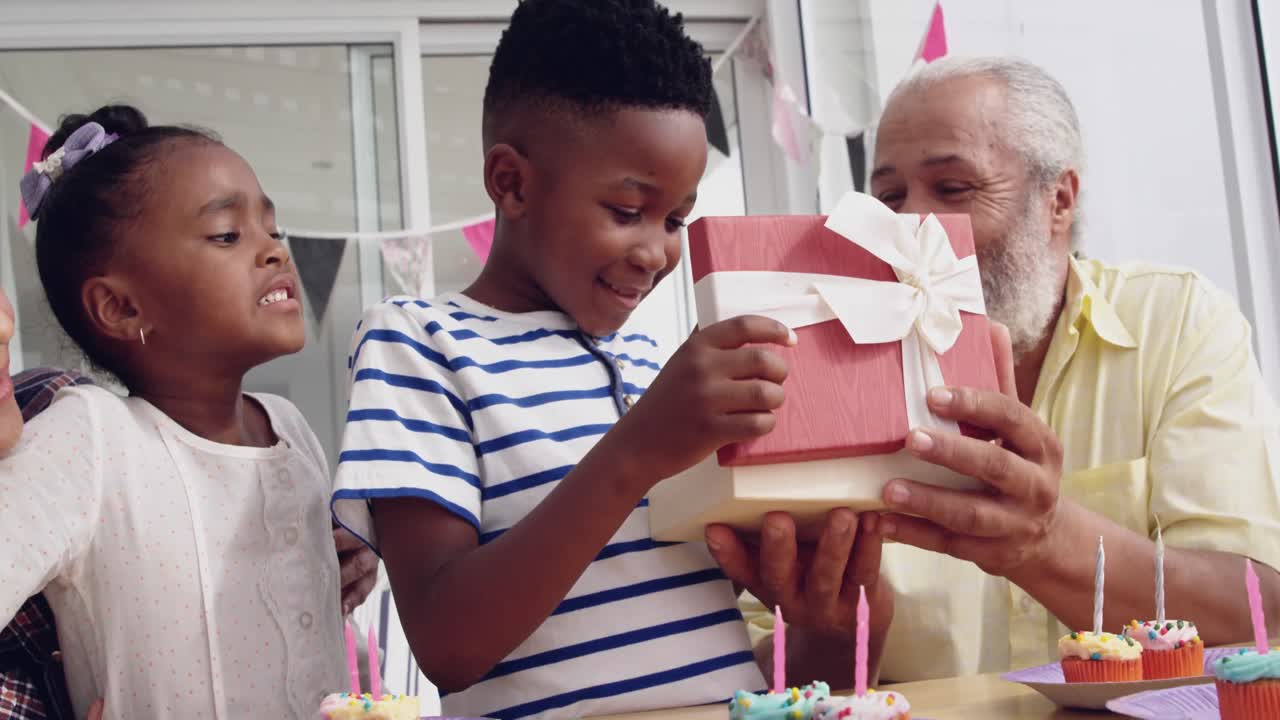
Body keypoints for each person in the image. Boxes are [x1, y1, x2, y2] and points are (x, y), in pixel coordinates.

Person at [331, 1, 884, 717]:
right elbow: (446, 645)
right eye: (627, 211)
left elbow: (728, 640)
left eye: (677, 218)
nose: (657, 251)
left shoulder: (660, 364)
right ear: (513, 183)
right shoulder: (417, 342)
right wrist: (637, 450)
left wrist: (822, 590)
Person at [740, 55, 1280, 681]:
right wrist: (838, 635)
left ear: (1059, 201)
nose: (911, 228)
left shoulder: (1177, 320)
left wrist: (1048, 541)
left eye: (953, 189)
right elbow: (768, 676)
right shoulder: (816, 370)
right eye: (888, 197)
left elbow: (1255, 610)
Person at [0, 105, 357, 720]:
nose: (274, 250)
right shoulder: (89, 436)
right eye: (227, 234)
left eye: (273, 228)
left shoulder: (292, 431)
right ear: (120, 308)